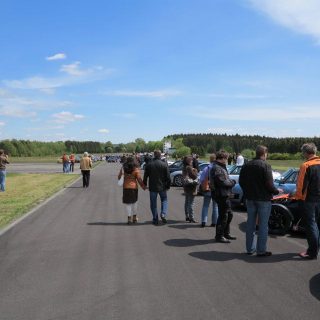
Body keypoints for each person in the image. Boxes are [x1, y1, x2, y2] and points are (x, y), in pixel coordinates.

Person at [239, 145, 281, 256]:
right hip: (263, 199)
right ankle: (261, 250)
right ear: (264, 153)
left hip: (250, 198)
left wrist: (247, 192)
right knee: (263, 225)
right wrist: (277, 191)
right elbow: (269, 184)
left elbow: (241, 182)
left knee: (250, 224)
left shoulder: (246, 165)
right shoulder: (265, 165)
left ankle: (249, 249)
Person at [295, 143, 320, 260]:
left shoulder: (305, 165)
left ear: (305, 153)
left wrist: (297, 197)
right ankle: (316, 249)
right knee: (317, 225)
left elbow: (301, 186)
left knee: (311, 225)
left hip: (310, 200)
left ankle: (312, 252)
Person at [210, 150, 236, 243]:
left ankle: (226, 233)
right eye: (227, 158)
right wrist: (233, 182)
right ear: (223, 158)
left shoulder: (221, 167)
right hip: (221, 194)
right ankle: (219, 235)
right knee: (223, 215)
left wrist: (230, 182)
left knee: (229, 214)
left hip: (225, 194)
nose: (227, 160)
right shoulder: (217, 168)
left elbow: (225, 180)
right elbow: (222, 182)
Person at [143, 150, 171, 225]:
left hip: (152, 187)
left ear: (154, 155)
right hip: (162, 187)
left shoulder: (149, 164)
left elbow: (145, 176)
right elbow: (168, 177)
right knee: (164, 200)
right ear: (160, 155)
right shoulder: (164, 164)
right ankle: (163, 214)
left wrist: (144, 184)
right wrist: (168, 186)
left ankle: (155, 218)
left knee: (153, 203)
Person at [118, 157, 146, 224]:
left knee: (128, 204)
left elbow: (119, 177)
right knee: (134, 203)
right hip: (134, 188)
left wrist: (123, 176)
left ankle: (129, 219)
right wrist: (144, 187)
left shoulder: (123, 168)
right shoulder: (135, 169)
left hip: (126, 187)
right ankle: (134, 218)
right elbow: (139, 179)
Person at [199, 154, 218, 228]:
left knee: (205, 206)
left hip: (208, 189)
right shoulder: (218, 168)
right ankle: (214, 222)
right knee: (215, 206)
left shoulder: (207, 168)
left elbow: (201, 179)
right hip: (216, 189)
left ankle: (204, 221)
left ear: (210, 160)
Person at [182, 156, 198, 223]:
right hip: (191, 187)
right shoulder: (189, 168)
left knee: (187, 202)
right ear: (189, 161)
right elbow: (194, 176)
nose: (192, 161)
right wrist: (195, 170)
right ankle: (191, 218)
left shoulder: (184, 167)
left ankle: (187, 216)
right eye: (191, 160)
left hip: (186, 186)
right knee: (191, 203)